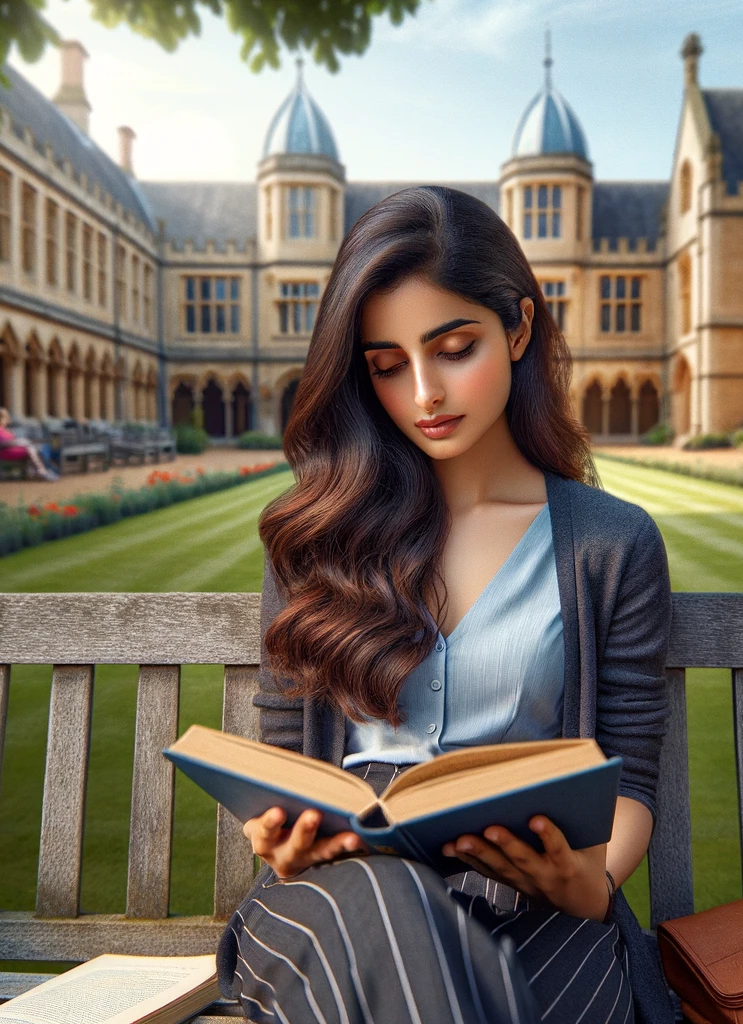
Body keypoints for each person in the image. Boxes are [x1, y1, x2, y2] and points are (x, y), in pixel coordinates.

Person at [216, 185, 674, 1024]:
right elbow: (286, 755)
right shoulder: (318, 538)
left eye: (454, 347)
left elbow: (631, 769)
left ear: (521, 328)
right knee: (396, 922)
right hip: (339, 893)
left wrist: (592, 877)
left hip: (533, 892)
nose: (423, 391)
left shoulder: (611, 543)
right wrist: (279, 837)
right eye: (388, 366)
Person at [0, 408, 60, 481]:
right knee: (30, 449)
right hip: (5, 452)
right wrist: (18, 442)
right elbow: (1, 443)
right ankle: (41, 471)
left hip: (13, 449)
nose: (6, 420)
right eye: (4, 418)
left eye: (6, 418)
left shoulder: (4, 429)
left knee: (34, 448)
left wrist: (21, 442)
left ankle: (40, 471)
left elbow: (12, 439)